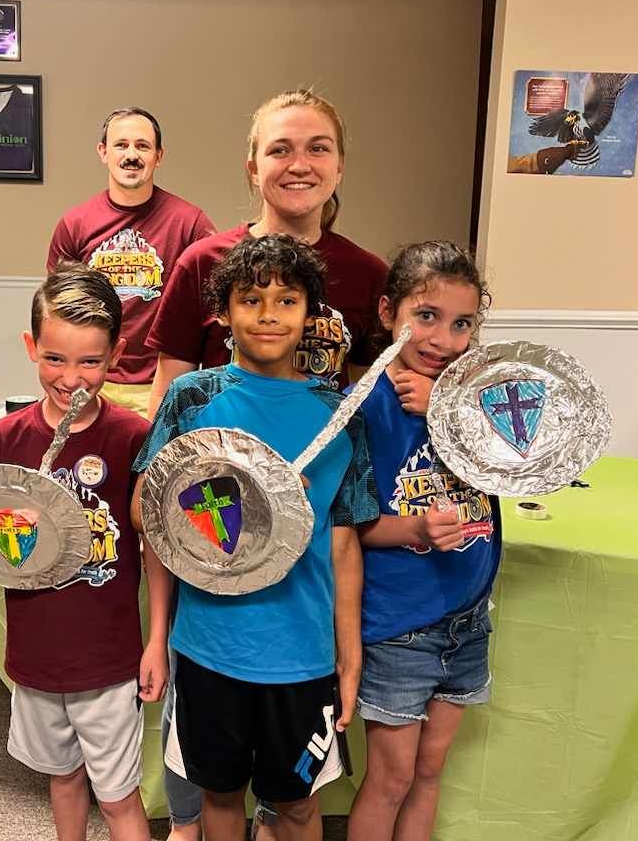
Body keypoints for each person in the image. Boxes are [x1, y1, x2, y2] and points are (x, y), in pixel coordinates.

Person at [133, 234, 376, 841]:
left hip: (302, 653)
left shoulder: (339, 413)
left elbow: (345, 542)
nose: (268, 315)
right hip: (211, 645)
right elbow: (145, 511)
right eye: (250, 299)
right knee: (220, 796)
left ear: (311, 313)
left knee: (294, 805)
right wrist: (219, 511)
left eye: (287, 300)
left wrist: (349, 657)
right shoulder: (194, 399)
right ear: (223, 312)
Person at [0, 264, 172, 841]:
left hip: (108, 659)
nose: (71, 377)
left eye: (90, 361)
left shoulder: (131, 437)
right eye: (55, 358)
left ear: (116, 355)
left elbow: (154, 546)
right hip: (37, 655)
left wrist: (155, 641)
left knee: (121, 798)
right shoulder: (5, 441)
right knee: (62, 779)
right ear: (32, 347)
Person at [346, 241, 500, 841]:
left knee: (430, 772)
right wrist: (413, 528)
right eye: (426, 316)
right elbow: (351, 526)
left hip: (468, 619)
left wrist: (449, 411)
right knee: (390, 779)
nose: (442, 339)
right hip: (400, 627)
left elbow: (525, 464)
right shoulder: (367, 408)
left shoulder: (475, 405)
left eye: (462, 323)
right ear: (389, 312)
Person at [146, 89, 388, 419]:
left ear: (339, 167)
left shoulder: (368, 274)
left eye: (318, 149)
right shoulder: (202, 262)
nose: (300, 165)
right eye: (280, 150)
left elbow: (366, 402)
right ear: (254, 170)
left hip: (324, 464)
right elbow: (167, 400)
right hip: (222, 460)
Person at [48, 107, 216, 416]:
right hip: (92, 379)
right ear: (103, 152)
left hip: (164, 382)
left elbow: (214, 310)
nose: (131, 154)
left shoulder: (190, 223)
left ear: (159, 155)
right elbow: (58, 314)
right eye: (121, 145)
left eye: (143, 146)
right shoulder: (75, 224)